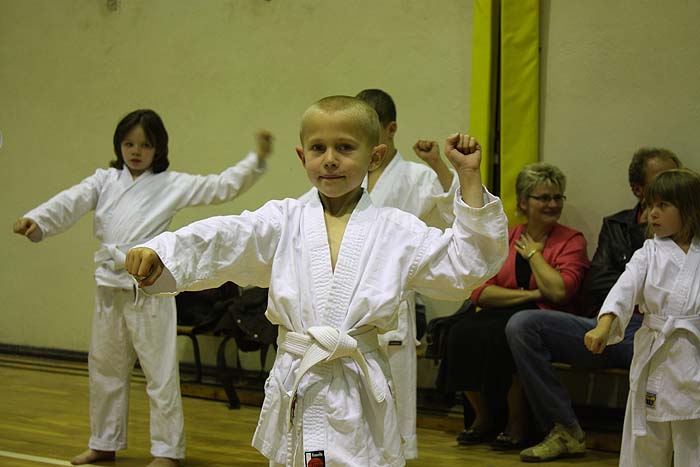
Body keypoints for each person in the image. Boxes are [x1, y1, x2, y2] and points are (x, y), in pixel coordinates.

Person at [125, 95, 509, 467]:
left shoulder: (397, 230)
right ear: (301, 155)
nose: (330, 160)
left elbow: (466, 263)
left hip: (358, 387)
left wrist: (470, 176)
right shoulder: (283, 220)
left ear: (374, 156)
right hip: (300, 379)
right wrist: (164, 251)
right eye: (318, 148)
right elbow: (225, 236)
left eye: (344, 147)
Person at [13, 109, 272, 467]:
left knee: (159, 372)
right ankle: (103, 443)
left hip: (149, 288)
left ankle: (168, 451)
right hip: (109, 288)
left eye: (145, 145)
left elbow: (220, 186)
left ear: (158, 148)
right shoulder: (104, 181)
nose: (135, 151)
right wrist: (38, 219)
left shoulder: (172, 184)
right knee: (104, 368)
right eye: (129, 143)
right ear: (119, 145)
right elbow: (69, 201)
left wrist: (256, 160)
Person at [506, 148, 681, 462]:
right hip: (612, 324)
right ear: (640, 191)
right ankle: (564, 430)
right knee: (522, 324)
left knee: (661, 352)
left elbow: (569, 288)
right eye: (657, 192)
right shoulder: (619, 227)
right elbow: (601, 285)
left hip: (659, 332)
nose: (657, 209)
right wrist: (606, 323)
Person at [441, 163, 590, 451]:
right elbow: (480, 291)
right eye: (543, 198)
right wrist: (530, 293)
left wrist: (534, 254)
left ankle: (517, 423)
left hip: (545, 317)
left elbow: (559, 291)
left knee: (512, 334)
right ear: (524, 202)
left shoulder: (571, 240)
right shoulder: (508, 236)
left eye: (557, 198)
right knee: (460, 332)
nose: (552, 204)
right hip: (513, 308)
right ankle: (484, 417)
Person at [355, 88, 458, 458]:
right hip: (352, 296)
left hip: (393, 294)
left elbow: (453, 215)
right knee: (357, 389)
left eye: (369, 126)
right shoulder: (353, 176)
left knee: (396, 385)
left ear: (391, 128)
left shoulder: (418, 176)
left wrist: (439, 166)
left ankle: (397, 456)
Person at [585, 168, 700, 467]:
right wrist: (604, 324)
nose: (652, 214)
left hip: (694, 358)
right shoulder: (648, 252)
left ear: (690, 209)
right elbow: (625, 287)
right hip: (656, 356)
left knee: (694, 442)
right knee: (646, 441)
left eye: (663, 205)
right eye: (650, 205)